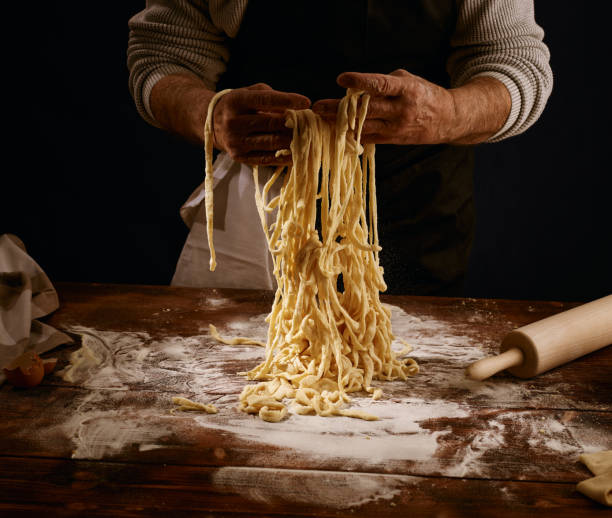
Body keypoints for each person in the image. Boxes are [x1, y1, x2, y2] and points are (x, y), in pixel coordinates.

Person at [127, 0, 552, 295]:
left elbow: (516, 64)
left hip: (416, 214)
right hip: (258, 221)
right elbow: (164, 57)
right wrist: (211, 117)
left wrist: (451, 112)